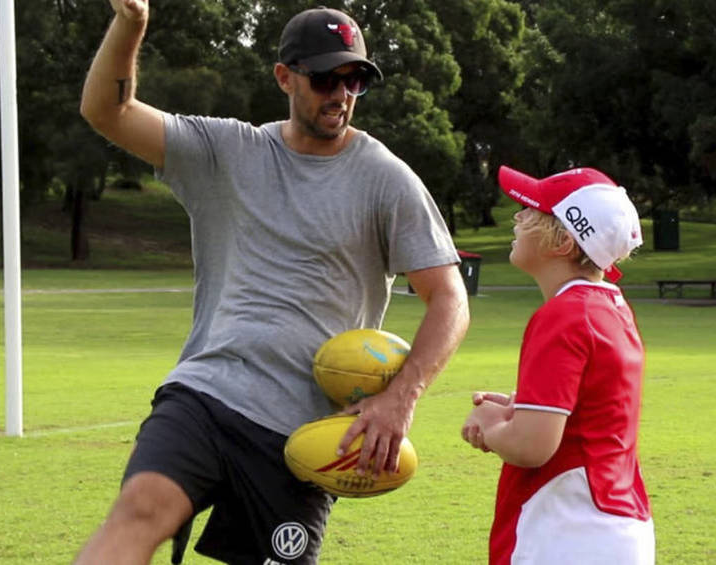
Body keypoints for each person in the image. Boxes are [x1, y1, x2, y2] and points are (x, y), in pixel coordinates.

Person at [75, 2, 470, 564]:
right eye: (325, 78)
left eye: (354, 78)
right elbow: (107, 112)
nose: (341, 93)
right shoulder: (226, 152)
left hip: (302, 439)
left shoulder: (387, 180)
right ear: (285, 77)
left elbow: (450, 298)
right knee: (140, 509)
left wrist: (399, 399)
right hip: (207, 395)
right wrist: (131, 24)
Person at [461, 165, 654, 564]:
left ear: (564, 241)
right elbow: (594, 410)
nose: (517, 217)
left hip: (567, 529)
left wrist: (491, 426)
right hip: (613, 526)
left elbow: (531, 447)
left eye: (531, 212)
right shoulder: (611, 305)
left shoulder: (564, 314)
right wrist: (525, 406)